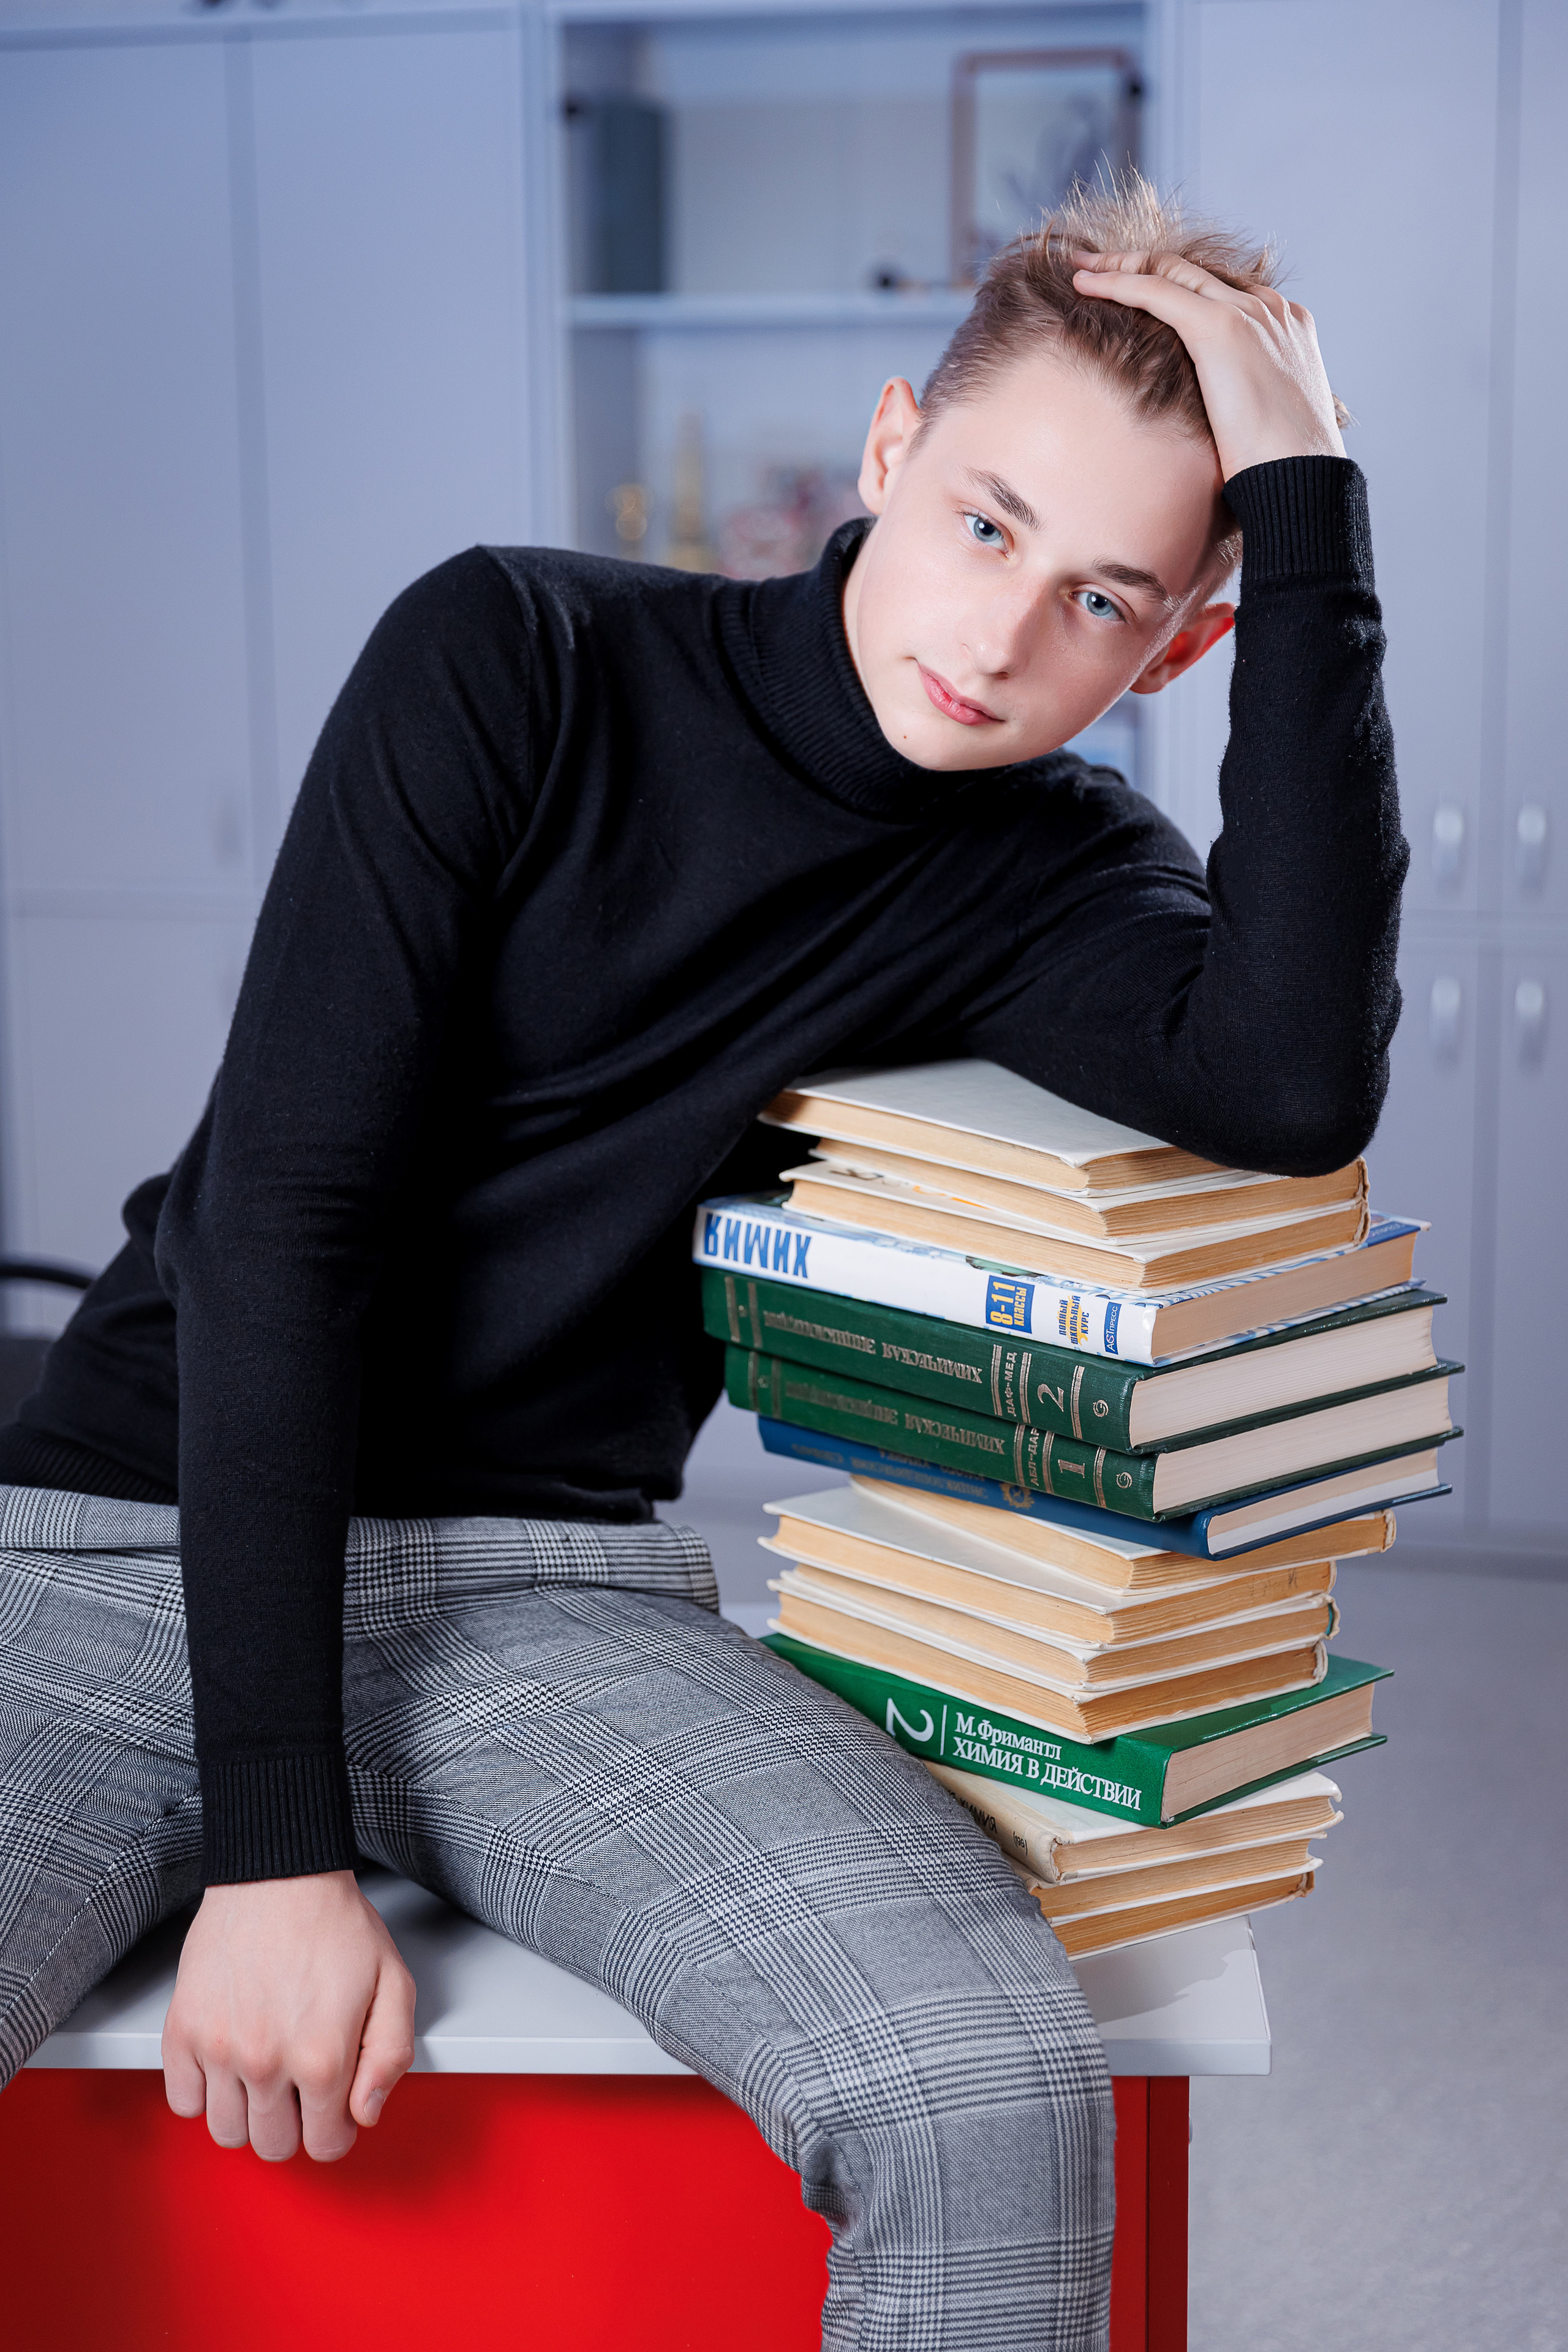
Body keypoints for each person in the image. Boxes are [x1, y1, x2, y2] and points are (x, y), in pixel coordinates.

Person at [0, 177, 1404, 2350]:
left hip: (539, 1598)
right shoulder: (516, 651)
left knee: (992, 2097)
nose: (1008, 632)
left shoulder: (1051, 880)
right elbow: (289, 1224)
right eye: (986, 522)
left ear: (1182, 643)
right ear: (882, 455)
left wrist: (1310, 505)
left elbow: (1298, 1075)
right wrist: (280, 1852)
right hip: (121, 1537)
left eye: (1109, 595)